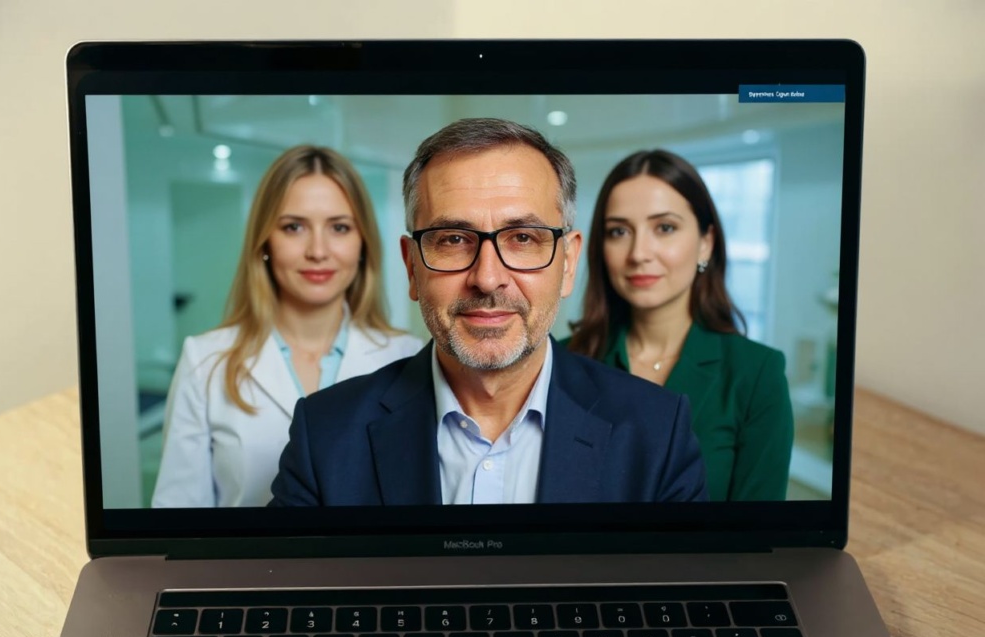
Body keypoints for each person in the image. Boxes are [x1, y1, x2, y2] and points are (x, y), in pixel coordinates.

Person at [269, 119, 708, 507]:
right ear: (411, 266)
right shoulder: (324, 434)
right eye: (453, 239)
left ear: (569, 263)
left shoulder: (657, 433)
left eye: (523, 238)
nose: (488, 277)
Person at [152, 145, 423, 508]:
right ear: (265, 241)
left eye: (339, 227)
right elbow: (178, 522)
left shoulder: (408, 358)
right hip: (243, 567)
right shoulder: (205, 361)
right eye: (294, 227)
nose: (317, 250)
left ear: (363, 244)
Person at [566, 149, 794, 501]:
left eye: (665, 227)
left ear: (706, 243)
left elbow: (759, 542)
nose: (639, 252)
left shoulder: (756, 375)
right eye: (618, 232)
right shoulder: (563, 361)